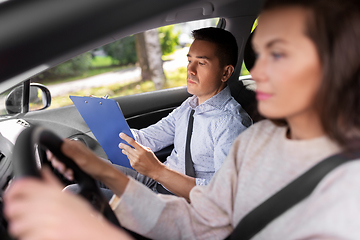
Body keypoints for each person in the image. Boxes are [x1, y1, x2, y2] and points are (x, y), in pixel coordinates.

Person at [5, 0, 360, 239]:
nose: (260, 71)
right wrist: (101, 168)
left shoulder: (346, 191)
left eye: (279, 53)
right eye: (258, 54)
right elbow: (200, 219)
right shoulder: (259, 141)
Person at [62, 27, 252, 201]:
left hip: (182, 205)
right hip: (157, 182)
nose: (190, 70)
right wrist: (106, 117)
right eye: (189, 60)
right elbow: (145, 139)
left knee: (73, 196)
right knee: (82, 168)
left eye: (201, 63)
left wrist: (157, 170)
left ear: (226, 73)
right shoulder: (189, 106)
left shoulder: (232, 124)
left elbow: (223, 195)